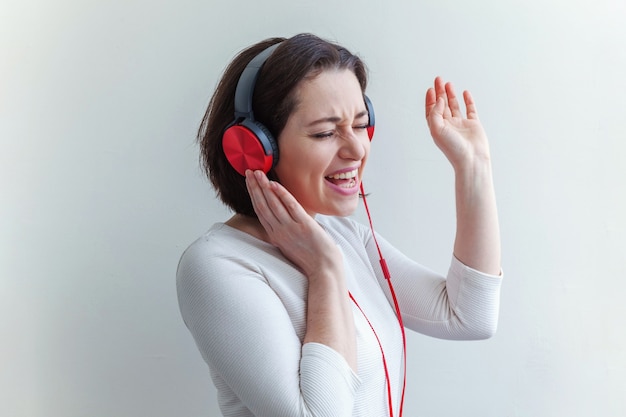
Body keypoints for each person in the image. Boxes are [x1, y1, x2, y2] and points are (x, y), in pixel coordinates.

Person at [176, 33, 502, 417]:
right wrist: (324, 269)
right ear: (256, 147)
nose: (357, 149)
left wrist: (474, 166)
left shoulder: (345, 236)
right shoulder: (217, 266)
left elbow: (468, 316)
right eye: (326, 133)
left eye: (361, 125)